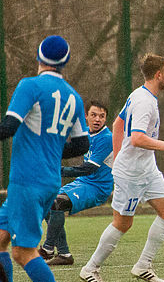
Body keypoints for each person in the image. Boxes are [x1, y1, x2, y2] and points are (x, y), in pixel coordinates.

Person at [0, 35, 90, 282]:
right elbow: (81, 144)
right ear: (65, 63)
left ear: (39, 57)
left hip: (27, 180)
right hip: (48, 180)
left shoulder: (30, 86)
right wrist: (49, 150)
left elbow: (9, 127)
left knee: (23, 252)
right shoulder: (74, 97)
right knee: (0, 239)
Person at [79, 54, 164, 282]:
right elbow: (138, 138)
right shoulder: (144, 101)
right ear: (158, 75)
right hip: (131, 174)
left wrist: (118, 154)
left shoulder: (140, 94)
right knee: (122, 223)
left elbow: (118, 124)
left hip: (147, 169)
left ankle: (143, 265)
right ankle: (90, 268)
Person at [38, 101, 113, 266]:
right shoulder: (86, 133)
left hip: (98, 187)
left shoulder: (107, 138)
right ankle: (64, 254)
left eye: (102, 116)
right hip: (83, 183)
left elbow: (88, 169)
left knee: (58, 202)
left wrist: (60, 170)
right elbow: (68, 147)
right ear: (86, 116)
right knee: (46, 202)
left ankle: (48, 248)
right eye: (93, 115)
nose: (97, 119)